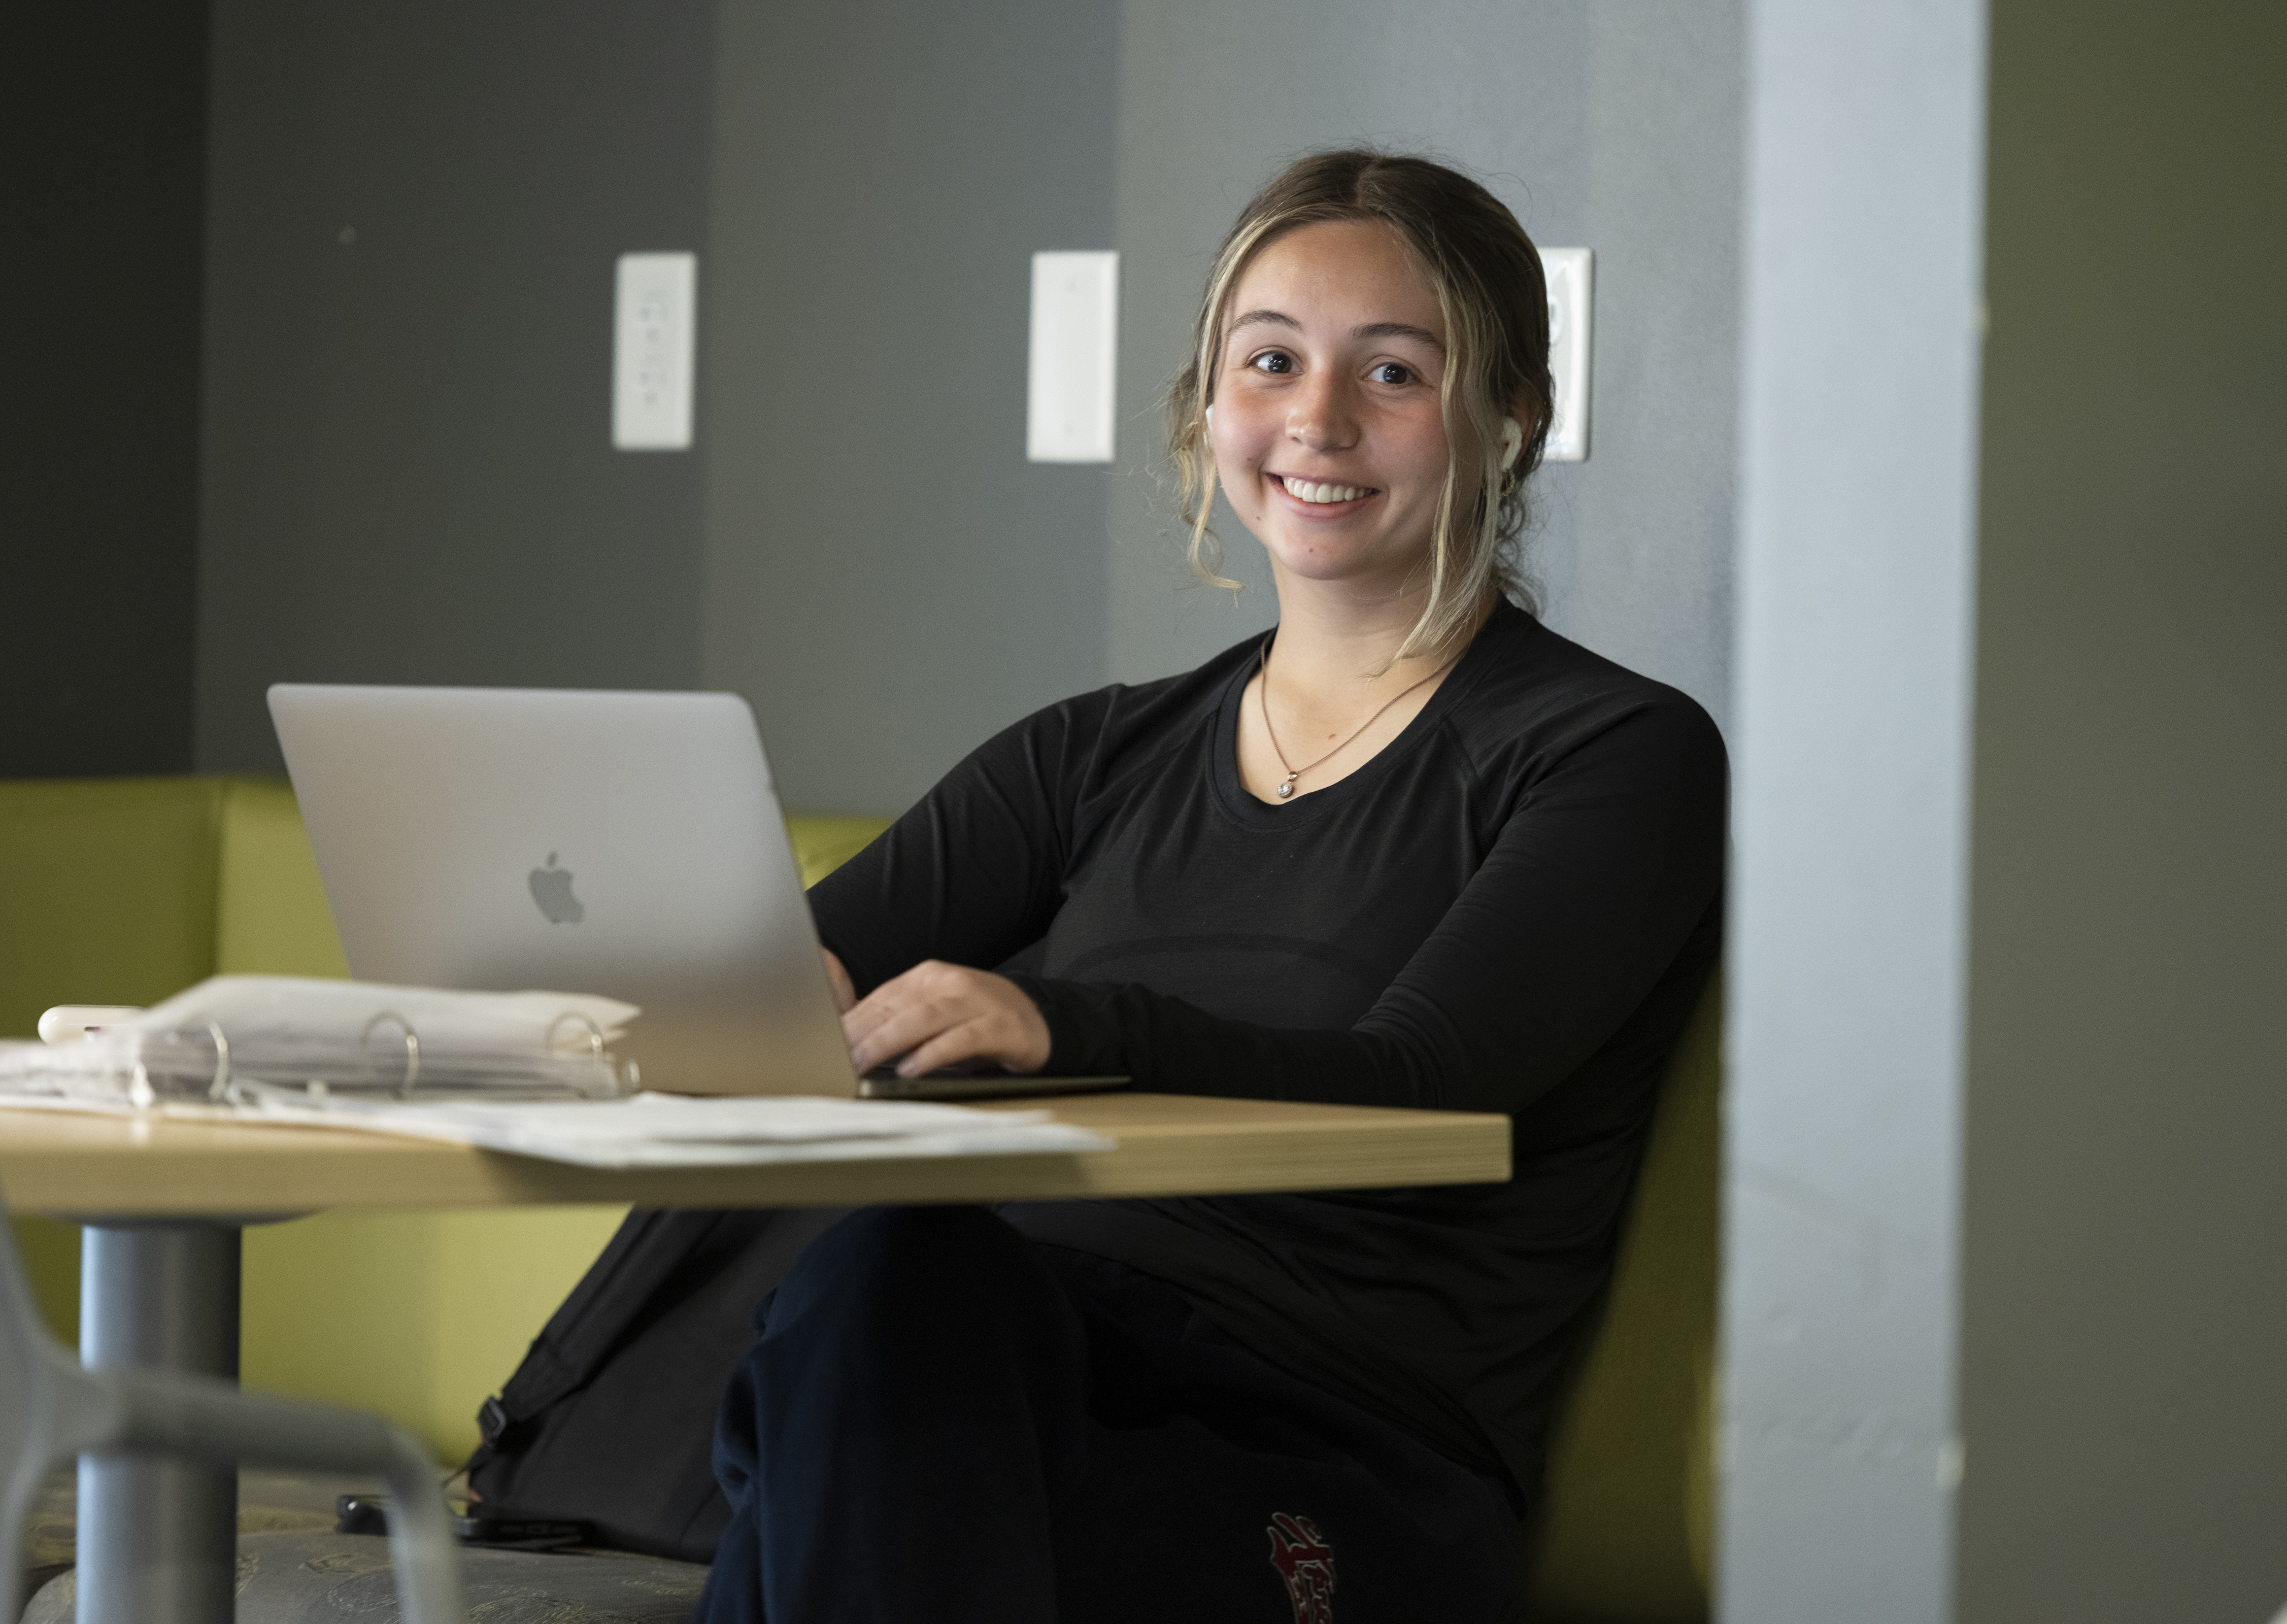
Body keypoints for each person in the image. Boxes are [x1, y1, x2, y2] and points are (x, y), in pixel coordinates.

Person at [693, 150, 1726, 1624]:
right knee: (885, 1278)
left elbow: (1429, 1081)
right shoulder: (1093, 752)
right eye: (1270, 361)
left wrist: (1067, 1025)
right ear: (1208, 408)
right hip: (1029, 1377)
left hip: (1340, 1453)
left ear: (1514, 417)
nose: (1316, 418)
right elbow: (763, 973)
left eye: (1394, 371)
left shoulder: (1617, 756)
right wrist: (755, 997)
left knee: (849, 1484)